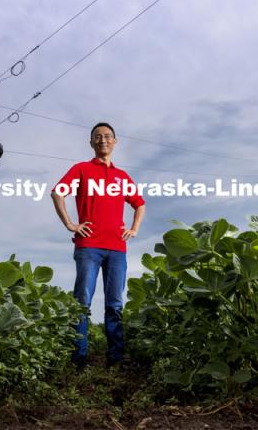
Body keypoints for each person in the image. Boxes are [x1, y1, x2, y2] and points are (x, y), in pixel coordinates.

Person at [51, 122, 146, 369]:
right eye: (97, 137)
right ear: (91, 142)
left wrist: (133, 229)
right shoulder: (81, 169)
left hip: (117, 248)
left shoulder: (122, 176)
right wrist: (71, 224)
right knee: (82, 300)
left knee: (115, 303)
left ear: (115, 141)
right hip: (88, 246)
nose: (103, 140)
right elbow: (57, 193)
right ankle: (78, 358)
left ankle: (116, 357)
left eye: (107, 136)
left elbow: (140, 204)